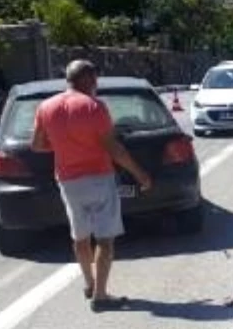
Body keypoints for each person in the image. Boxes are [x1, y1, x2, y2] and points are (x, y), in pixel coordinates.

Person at [31, 60, 152, 312]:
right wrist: (141, 175)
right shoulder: (94, 107)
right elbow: (114, 149)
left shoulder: (46, 107)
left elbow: (37, 145)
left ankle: (88, 283)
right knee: (105, 240)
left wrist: (66, 146)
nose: (96, 84)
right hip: (98, 177)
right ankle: (100, 295)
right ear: (89, 80)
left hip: (67, 180)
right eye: (95, 79)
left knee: (80, 236)